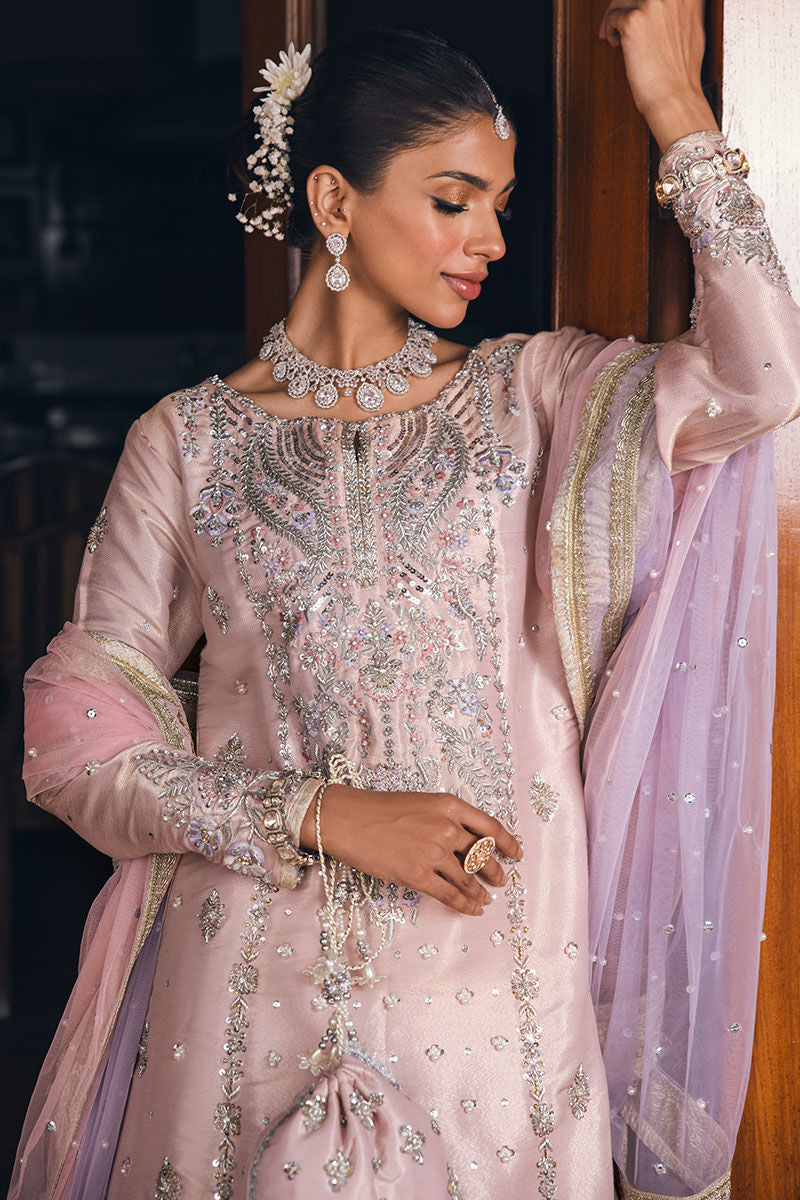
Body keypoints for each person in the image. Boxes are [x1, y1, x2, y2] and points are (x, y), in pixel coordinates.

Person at [10, 4, 800, 1198]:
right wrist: (319, 812)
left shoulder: (534, 396)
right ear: (333, 201)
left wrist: (674, 111)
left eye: (498, 205)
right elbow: (73, 751)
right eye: (452, 200)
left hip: (494, 999)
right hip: (243, 997)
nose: (489, 238)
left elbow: (762, 375)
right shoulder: (187, 444)